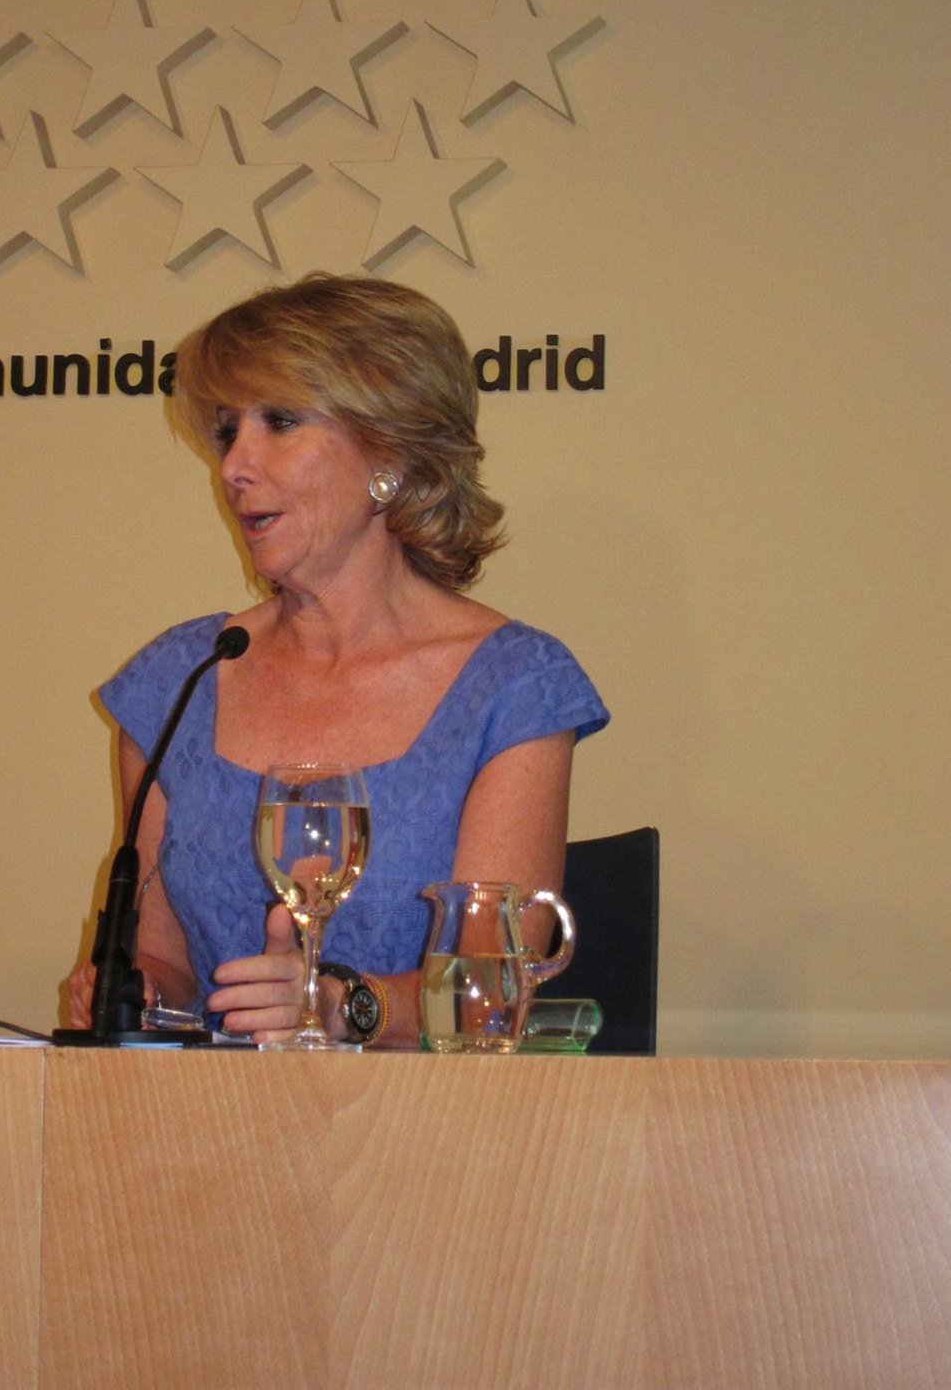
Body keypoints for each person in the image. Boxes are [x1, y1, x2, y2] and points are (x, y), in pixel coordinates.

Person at [67, 273, 608, 1045]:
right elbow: (165, 960)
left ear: (391, 452)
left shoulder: (514, 686)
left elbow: (489, 995)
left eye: (280, 422)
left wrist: (340, 1007)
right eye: (227, 431)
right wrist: (138, 991)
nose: (233, 466)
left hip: (428, 1116)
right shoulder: (177, 679)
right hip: (208, 1111)